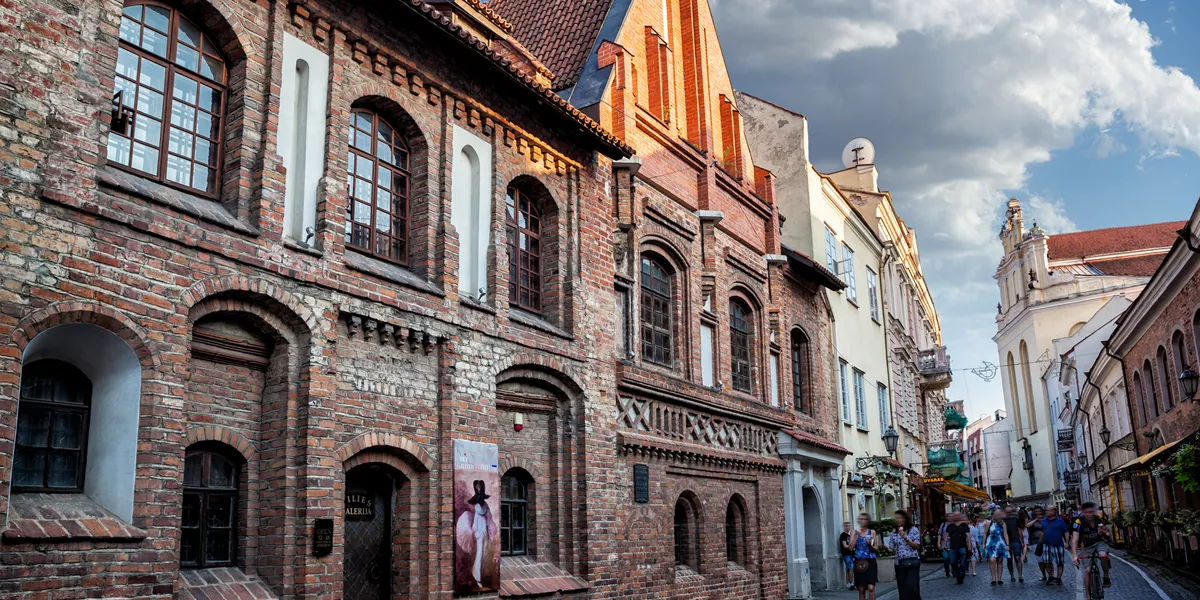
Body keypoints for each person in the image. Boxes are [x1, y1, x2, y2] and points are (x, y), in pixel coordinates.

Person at [1072, 501, 1112, 596]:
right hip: (1086, 547)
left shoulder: (1099, 518)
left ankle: (1106, 576)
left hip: (1099, 542)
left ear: (1094, 512)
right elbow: (1074, 540)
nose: (1089, 514)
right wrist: (1074, 556)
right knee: (1088, 570)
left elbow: (1108, 533)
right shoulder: (1078, 522)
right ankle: (1088, 595)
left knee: (1103, 556)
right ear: (1082, 512)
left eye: (1091, 512)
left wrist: (1104, 532)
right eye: (1086, 512)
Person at [886, 510, 923, 600]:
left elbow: (916, 546)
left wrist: (905, 537)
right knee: (902, 588)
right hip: (899, 563)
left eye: (900, 518)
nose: (898, 520)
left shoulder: (913, 530)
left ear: (905, 519)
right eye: (896, 518)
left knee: (912, 586)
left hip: (912, 561)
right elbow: (892, 548)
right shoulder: (894, 532)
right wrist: (886, 548)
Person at [849, 513, 881, 600]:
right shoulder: (854, 532)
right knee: (861, 589)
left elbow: (876, 548)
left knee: (871, 587)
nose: (862, 520)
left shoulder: (872, 532)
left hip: (870, 561)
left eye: (865, 519)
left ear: (868, 521)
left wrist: (870, 545)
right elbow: (850, 548)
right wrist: (856, 536)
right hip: (859, 562)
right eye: (861, 519)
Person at [1039, 504, 1070, 585]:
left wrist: (1067, 542)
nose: (1046, 512)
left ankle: (1059, 577)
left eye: (1048, 510)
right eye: (1046, 510)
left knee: (1059, 562)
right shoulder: (1044, 521)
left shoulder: (1060, 521)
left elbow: (1066, 532)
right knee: (1047, 561)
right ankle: (1050, 576)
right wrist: (1040, 542)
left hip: (1058, 544)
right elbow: (1042, 532)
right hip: (1046, 544)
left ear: (1054, 511)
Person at [943, 511, 973, 584]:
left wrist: (969, 545)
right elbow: (946, 535)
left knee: (963, 563)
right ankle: (957, 573)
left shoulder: (964, 525)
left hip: (962, 546)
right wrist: (944, 544)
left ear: (959, 516)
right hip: (953, 547)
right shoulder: (950, 526)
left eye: (957, 515)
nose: (956, 517)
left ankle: (961, 575)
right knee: (952, 562)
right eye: (954, 515)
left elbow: (968, 536)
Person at [983, 508, 1011, 586]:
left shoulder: (1003, 524)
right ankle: (993, 578)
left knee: (1000, 560)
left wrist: (1007, 544)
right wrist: (983, 543)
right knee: (992, 560)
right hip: (991, 542)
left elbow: (1005, 534)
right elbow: (985, 533)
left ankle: (999, 579)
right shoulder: (989, 523)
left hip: (1000, 543)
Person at [1004, 504, 1026, 582]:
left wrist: (1022, 541)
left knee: (1017, 558)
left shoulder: (1015, 519)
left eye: (1010, 512)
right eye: (1007, 512)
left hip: (1016, 540)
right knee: (1009, 560)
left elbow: (1019, 530)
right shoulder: (1003, 521)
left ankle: (1020, 575)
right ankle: (1012, 575)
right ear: (1005, 512)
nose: (1009, 513)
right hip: (1007, 542)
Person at [1027, 506, 1045, 581]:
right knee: (1040, 559)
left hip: (1046, 540)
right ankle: (1044, 574)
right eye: (1036, 511)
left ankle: (1051, 575)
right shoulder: (1032, 519)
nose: (1038, 513)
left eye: (1039, 511)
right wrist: (1036, 520)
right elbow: (1027, 525)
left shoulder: (1046, 519)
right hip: (1035, 541)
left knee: (1047, 559)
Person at [969, 512, 986, 576]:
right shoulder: (976, 524)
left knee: (981, 546)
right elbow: (976, 529)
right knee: (980, 546)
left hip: (982, 536)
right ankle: (980, 554)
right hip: (978, 536)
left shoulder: (985, 522)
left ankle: (981, 554)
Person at [839, 522, 855, 590]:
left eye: (849, 526)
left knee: (849, 568)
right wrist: (851, 546)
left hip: (850, 554)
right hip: (846, 554)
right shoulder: (843, 535)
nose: (848, 527)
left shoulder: (848, 535)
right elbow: (845, 545)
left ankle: (848, 583)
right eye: (847, 526)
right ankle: (851, 583)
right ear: (844, 527)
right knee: (851, 567)